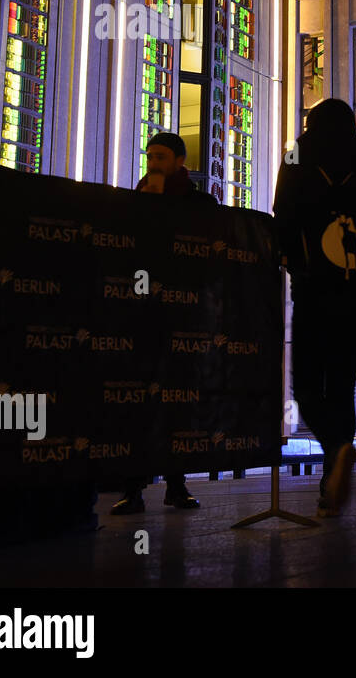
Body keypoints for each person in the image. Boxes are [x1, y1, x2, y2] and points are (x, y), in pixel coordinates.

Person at [274, 99, 356, 517]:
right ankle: (333, 479)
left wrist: (295, 260)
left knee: (308, 387)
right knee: (343, 382)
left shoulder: (296, 164)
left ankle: (337, 451)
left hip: (316, 289)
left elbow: (282, 221)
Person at [110, 132, 213, 515]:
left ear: (180, 162)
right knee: (136, 402)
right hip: (142, 315)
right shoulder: (135, 200)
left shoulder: (199, 203)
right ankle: (132, 488)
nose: (153, 163)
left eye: (162, 157)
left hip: (181, 316)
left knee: (178, 401)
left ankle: (176, 484)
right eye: (150, 156)